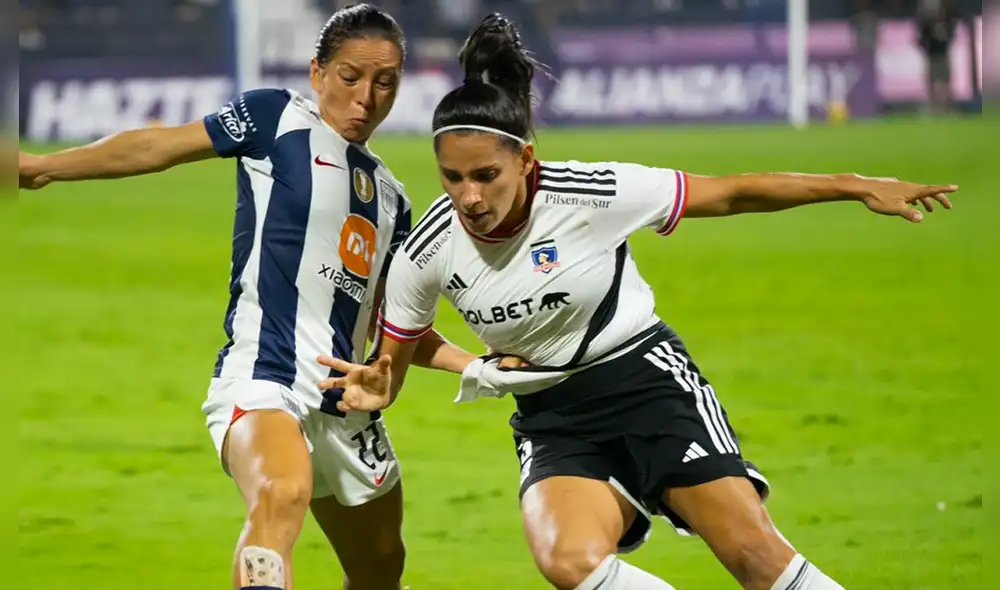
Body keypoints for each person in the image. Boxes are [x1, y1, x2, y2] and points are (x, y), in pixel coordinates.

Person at [317, 13, 958, 590]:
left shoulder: (590, 194)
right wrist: (383, 383)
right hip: (552, 415)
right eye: (452, 178)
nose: (470, 197)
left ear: (526, 162)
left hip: (646, 383)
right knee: (566, 560)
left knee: (755, 557)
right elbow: (394, 361)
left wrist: (852, 185)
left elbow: (732, 193)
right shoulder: (426, 252)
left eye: (487, 176)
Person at [18, 4, 474, 590]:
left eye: (385, 82)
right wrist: (46, 166)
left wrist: (473, 365)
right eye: (350, 77)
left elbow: (399, 325)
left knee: (382, 568)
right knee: (281, 494)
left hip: (346, 406)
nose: (367, 97)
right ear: (317, 73)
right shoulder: (275, 119)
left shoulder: (392, 199)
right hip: (265, 379)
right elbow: (157, 146)